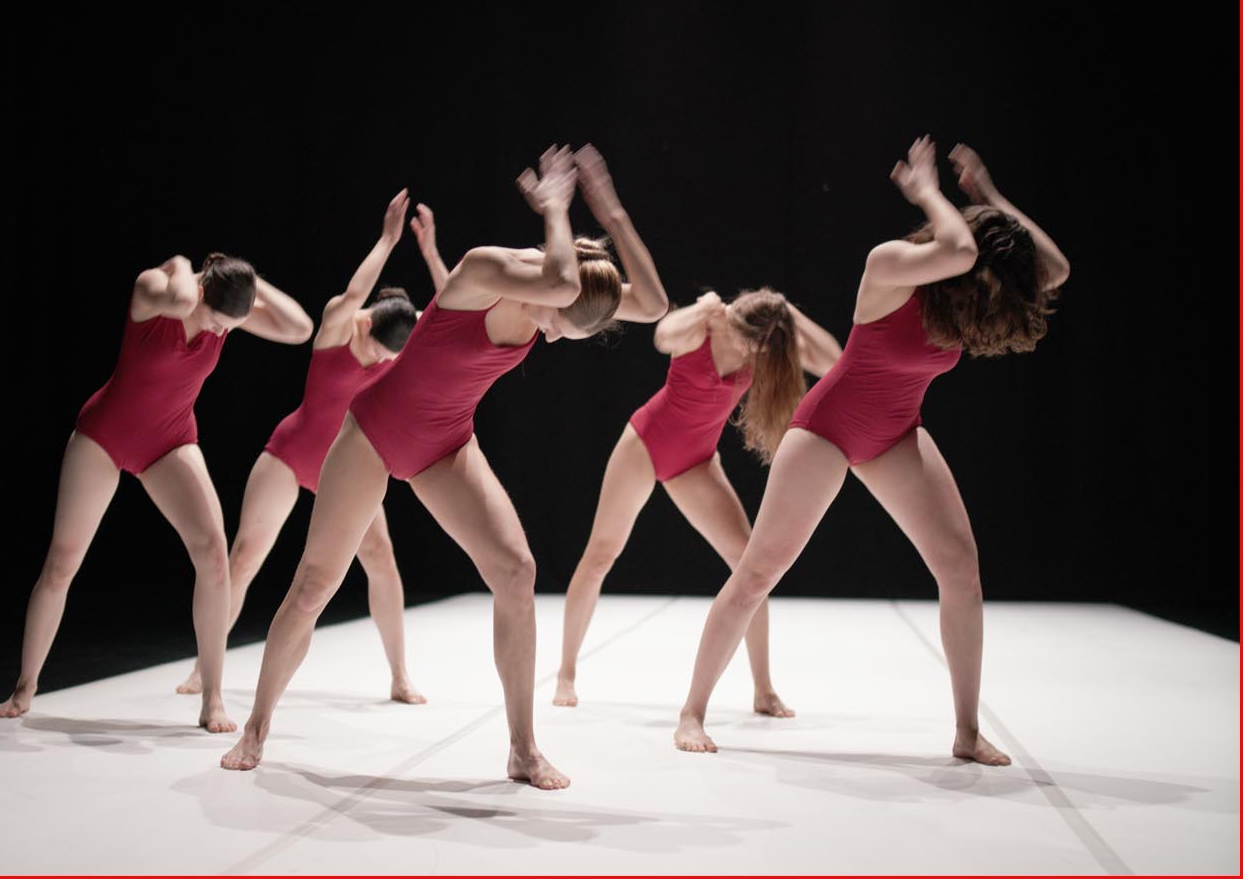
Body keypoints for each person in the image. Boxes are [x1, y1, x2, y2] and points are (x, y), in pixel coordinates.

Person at [219, 144, 669, 789]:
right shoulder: (484, 268)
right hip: (373, 431)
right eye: (556, 326)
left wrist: (614, 213)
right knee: (315, 584)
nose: (549, 335)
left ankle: (522, 749)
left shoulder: (568, 290)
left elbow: (650, 304)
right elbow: (562, 285)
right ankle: (256, 727)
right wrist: (555, 209)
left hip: (446, 444)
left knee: (516, 570)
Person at [673, 138, 1069, 764]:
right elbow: (959, 249)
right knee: (756, 573)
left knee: (960, 570)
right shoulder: (888, 265)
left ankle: (967, 732)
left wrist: (992, 197)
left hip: (897, 433)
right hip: (827, 429)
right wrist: (929, 192)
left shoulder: (959, 297)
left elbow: (1055, 267)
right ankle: (692, 712)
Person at [0, 253, 313, 732]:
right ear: (201, 290)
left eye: (231, 327)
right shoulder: (153, 291)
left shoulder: (221, 310)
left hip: (169, 441)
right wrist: (181, 264)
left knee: (215, 556)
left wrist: (249, 282)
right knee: (62, 563)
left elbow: (299, 329)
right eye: (219, 323)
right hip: (103, 436)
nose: (222, 333)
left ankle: (212, 697)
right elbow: (180, 297)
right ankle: (24, 688)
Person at [175, 190, 448, 705]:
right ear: (364, 323)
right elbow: (354, 291)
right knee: (244, 556)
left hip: (348, 465)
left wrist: (432, 254)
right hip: (291, 452)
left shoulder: (394, 346)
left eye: (386, 359)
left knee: (382, 559)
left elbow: (446, 313)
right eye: (375, 351)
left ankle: (399, 675)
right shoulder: (339, 326)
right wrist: (388, 241)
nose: (379, 363)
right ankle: (201, 667)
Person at [554, 286, 842, 715]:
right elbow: (662, 336)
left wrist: (788, 313)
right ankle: (566, 672)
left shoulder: (763, 343)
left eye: (759, 347)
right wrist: (701, 307)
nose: (750, 353)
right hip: (646, 442)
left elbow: (833, 361)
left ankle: (763, 689)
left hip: (696, 460)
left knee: (750, 565)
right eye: (748, 342)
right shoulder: (705, 327)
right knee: (600, 554)